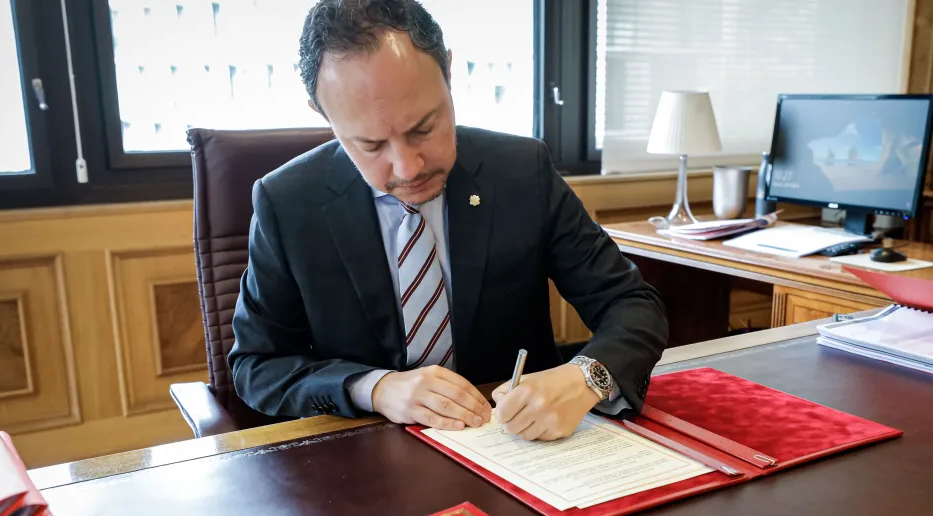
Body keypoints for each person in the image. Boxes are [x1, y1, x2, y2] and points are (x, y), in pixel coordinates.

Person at [228, 0, 667, 441]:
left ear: (449, 72)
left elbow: (631, 304)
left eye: (423, 128)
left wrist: (587, 376)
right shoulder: (287, 201)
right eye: (370, 145)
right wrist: (375, 388)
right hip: (367, 458)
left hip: (520, 445)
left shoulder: (520, 171)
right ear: (323, 115)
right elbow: (258, 365)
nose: (408, 167)